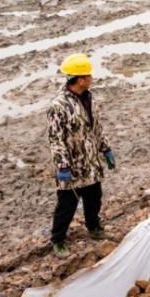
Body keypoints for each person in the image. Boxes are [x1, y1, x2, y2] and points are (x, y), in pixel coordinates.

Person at [47, 53, 116, 258]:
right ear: (80, 79)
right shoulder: (58, 106)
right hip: (72, 165)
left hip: (91, 162)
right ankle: (58, 240)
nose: (92, 78)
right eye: (89, 75)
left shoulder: (89, 98)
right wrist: (63, 167)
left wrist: (106, 149)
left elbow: (96, 127)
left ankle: (94, 228)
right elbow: (55, 139)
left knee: (94, 198)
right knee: (67, 205)